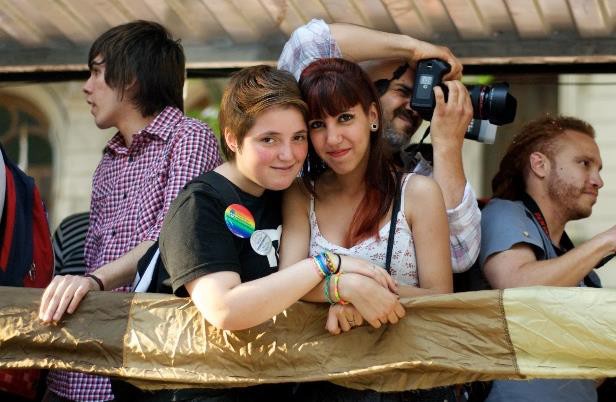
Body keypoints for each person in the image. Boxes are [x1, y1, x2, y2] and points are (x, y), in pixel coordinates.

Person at [121, 65, 396, 401]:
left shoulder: (288, 194)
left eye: (297, 138)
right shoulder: (201, 202)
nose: (288, 154)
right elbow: (225, 308)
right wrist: (327, 265)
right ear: (233, 139)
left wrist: (340, 290)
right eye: (269, 140)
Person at [38, 21, 222, 402]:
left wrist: (93, 281)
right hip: (77, 368)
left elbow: (169, 243)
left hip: (141, 365)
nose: (86, 87)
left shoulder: (189, 137)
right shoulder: (109, 157)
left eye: (97, 72)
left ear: (133, 78)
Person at [279, 58, 454, 400]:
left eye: (345, 118)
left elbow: (442, 298)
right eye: (318, 124)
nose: (333, 138)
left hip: (405, 382)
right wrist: (346, 287)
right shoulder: (301, 194)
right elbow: (286, 283)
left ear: (372, 117)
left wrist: (366, 300)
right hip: (321, 384)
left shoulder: (417, 192)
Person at [278, 19, 480, 274]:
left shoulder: (421, 177)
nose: (414, 106)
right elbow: (305, 43)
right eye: (403, 91)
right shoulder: (305, 161)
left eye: (422, 97)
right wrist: (414, 49)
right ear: (366, 98)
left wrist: (448, 145)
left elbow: (458, 255)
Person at [480, 115, 616, 402]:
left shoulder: (578, 266)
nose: (598, 181)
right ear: (539, 165)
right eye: (584, 163)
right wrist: (608, 241)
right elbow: (516, 287)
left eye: (599, 169)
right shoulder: (504, 212)